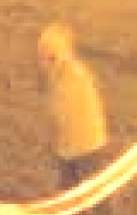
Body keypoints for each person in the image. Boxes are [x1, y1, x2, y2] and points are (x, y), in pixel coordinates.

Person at [38, 23, 111, 215]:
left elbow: (61, 115)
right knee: (70, 196)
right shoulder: (60, 75)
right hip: (70, 147)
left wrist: (53, 141)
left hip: (87, 147)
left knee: (95, 197)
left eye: (47, 55)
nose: (42, 61)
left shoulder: (74, 77)